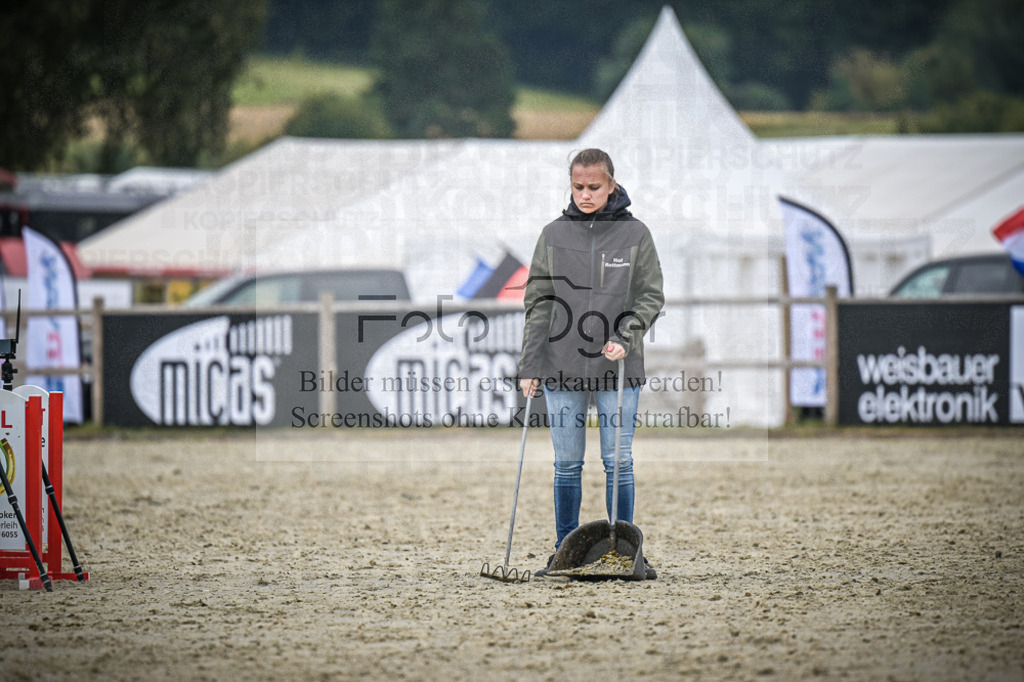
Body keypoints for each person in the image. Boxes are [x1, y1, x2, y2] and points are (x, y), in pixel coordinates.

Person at [518, 148, 664, 578]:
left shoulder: (636, 235)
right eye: (578, 187)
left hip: (617, 370)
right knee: (567, 464)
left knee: (618, 461)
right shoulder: (552, 234)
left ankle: (622, 547)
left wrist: (626, 336)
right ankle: (565, 549)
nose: (585, 194)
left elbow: (650, 296)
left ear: (611, 185)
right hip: (560, 369)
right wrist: (529, 366)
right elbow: (538, 304)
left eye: (594, 187)